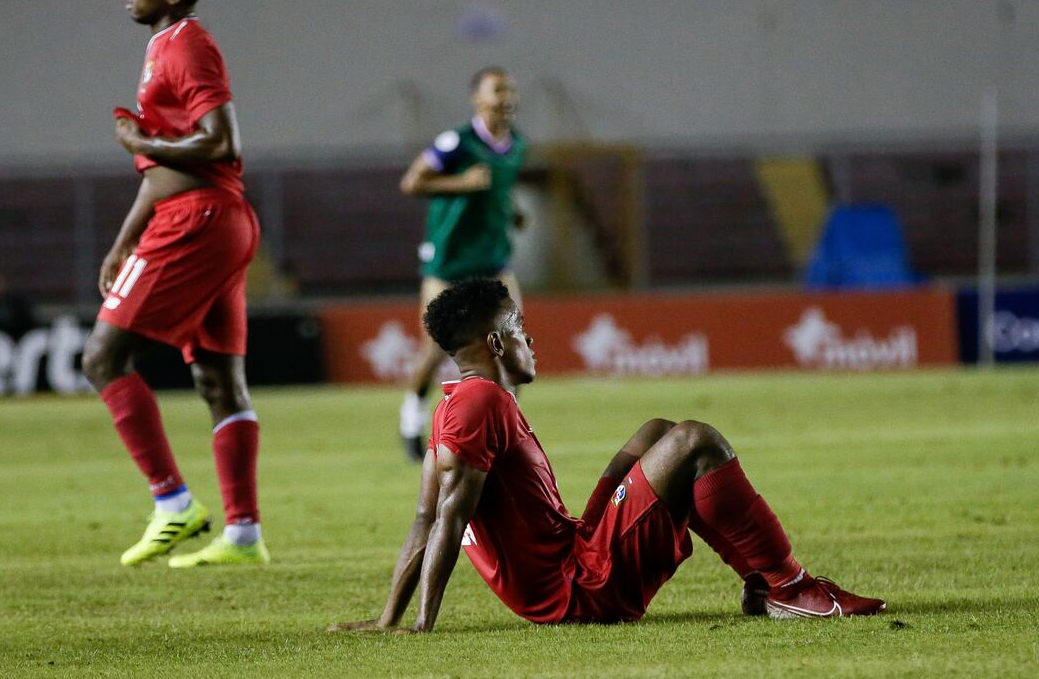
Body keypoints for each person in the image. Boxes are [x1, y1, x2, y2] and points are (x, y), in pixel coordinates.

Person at [331, 278, 884, 632]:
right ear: (495, 344)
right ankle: (790, 587)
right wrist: (420, 624)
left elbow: (425, 515)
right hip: (577, 589)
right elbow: (447, 518)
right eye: (518, 327)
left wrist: (387, 619)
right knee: (695, 440)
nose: (530, 339)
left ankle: (761, 585)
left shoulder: (455, 405)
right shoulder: (482, 403)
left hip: (570, 558)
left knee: (657, 432)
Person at [80, 0, 267, 568]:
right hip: (217, 219)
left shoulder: (186, 45)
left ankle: (172, 502)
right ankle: (243, 534)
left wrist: (141, 141)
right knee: (218, 380)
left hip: (198, 220)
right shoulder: (162, 46)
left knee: (102, 357)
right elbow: (165, 169)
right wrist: (124, 240)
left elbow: (219, 141)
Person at [396, 67, 528, 461]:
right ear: (478, 98)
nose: (507, 97)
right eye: (498, 90)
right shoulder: (457, 143)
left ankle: (506, 430)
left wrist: (513, 212)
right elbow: (412, 182)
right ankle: (411, 417)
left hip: (494, 261)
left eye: (510, 89)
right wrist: (461, 183)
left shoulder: (517, 145)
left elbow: (499, 189)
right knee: (437, 348)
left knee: (513, 342)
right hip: (449, 263)